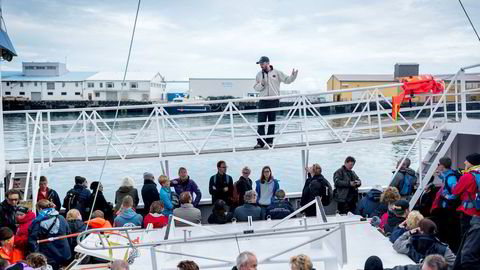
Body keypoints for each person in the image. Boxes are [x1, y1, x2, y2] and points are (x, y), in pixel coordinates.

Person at [253, 56, 298, 149]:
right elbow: (255, 88)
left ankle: (269, 142)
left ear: (267, 63)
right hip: (263, 101)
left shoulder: (277, 72)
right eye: (260, 64)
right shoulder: (258, 74)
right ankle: (260, 143)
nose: (260, 65)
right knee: (260, 122)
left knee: (271, 122)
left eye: (262, 63)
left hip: (274, 101)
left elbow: (287, 80)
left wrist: (293, 76)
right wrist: (261, 84)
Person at [28, 199, 71, 270]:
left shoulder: (38, 222)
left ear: (40, 209)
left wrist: (36, 256)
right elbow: (68, 234)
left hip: (48, 255)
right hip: (64, 253)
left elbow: (33, 241)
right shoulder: (61, 218)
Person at [431, 157, 461, 253]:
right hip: (445, 207)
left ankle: (451, 248)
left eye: (438, 164)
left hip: (448, 208)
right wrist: (440, 176)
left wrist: (446, 196)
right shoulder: (448, 174)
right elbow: (446, 179)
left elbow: (455, 192)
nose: (437, 166)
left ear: (442, 166)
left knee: (449, 228)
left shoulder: (451, 177)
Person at [452, 153, 480, 237]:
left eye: (467, 161)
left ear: (472, 163)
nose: (464, 162)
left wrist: (457, 180)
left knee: (466, 236)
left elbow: (455, 191)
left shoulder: (468, 176)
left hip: (469, 212)